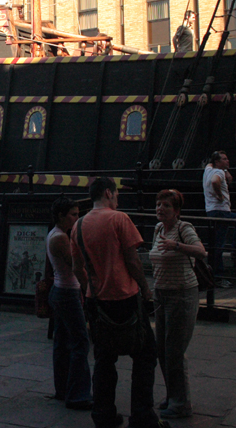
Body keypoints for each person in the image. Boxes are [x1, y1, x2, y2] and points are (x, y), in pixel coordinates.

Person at [70, 177, 158, 428]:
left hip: (97, 301)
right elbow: (132, 260)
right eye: (116, 194)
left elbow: (77, 268)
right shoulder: (120, 219)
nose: (117, 199)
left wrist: (91, 290)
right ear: (109, 193)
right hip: (125, 298)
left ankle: (103, 415)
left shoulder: (78, 225)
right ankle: (142, 416)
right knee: (145, 355)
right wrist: (144, 288)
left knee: (104, 359)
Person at [149, 189, 206, 420]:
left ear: (177, 211)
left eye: (166, 206)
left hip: (182, 295)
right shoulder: (158, 229)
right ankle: (173, 395)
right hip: (161, 294)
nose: (160, 208)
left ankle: (181, 403)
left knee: (174, 351)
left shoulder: (184, 228)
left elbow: (201, 252)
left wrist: (177, 246)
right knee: (162, 351)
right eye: (158, 204)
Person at [46, 196, 92, 411]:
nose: (77, 218)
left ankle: (63, 389)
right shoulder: (60, 238)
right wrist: (88, 288)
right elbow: (76, 266)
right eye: (73, 214)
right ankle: (78, 394)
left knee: (63, 342)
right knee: (80, 342)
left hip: (62, 291)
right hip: (67, 292)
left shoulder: (58, 235)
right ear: (61, 216)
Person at [202, 150, 236, 287]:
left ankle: (214, 275)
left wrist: (225, 170)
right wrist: (220, 196)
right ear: (218, 162)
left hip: (211, 211)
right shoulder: (218, 173)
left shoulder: (208, 170)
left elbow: (209, 164)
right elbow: (215, 182)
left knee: (215, 244)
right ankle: (234, 251)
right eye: (224, 159)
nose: (227, 161)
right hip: (221, 211)